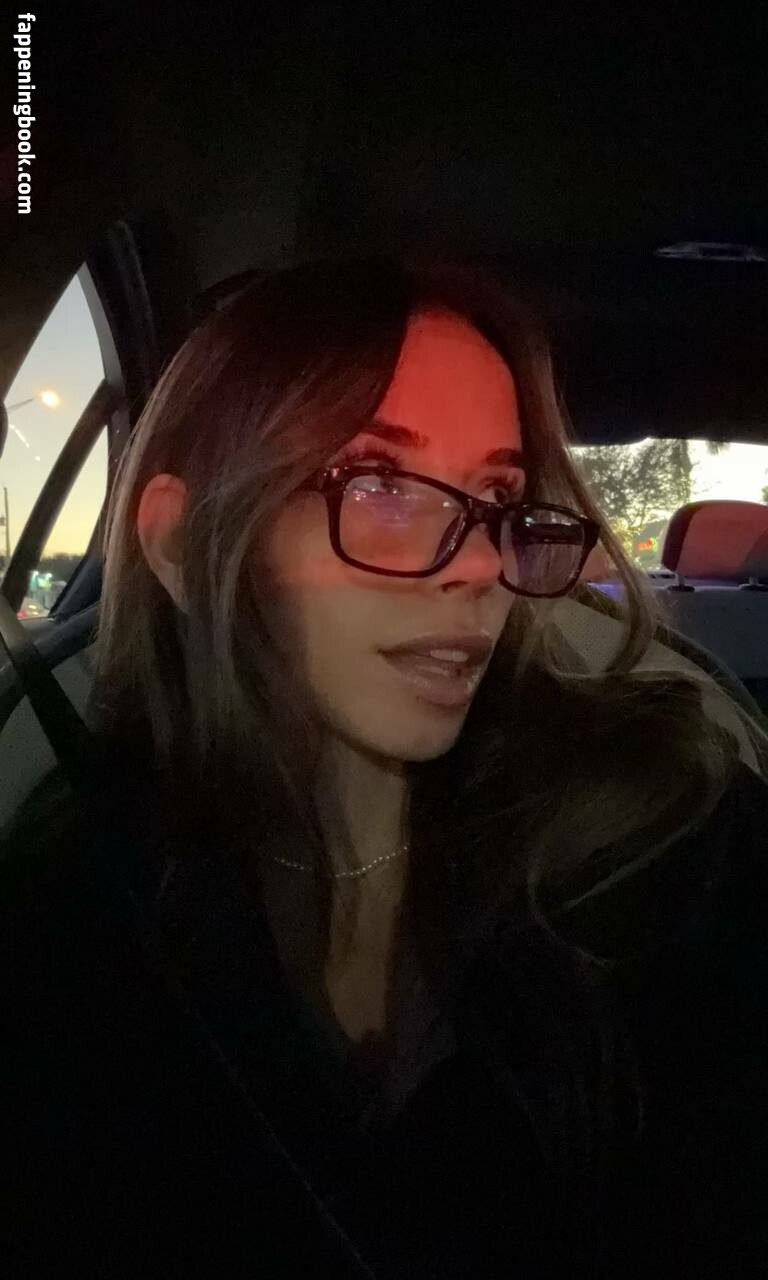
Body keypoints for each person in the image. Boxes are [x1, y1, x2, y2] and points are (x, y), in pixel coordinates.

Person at [1, 255, 767, 1279]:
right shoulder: (84, 903)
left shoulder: (663, 830)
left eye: (498, 495)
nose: (483, 564)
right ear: (184, 544)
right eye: (384, 484)